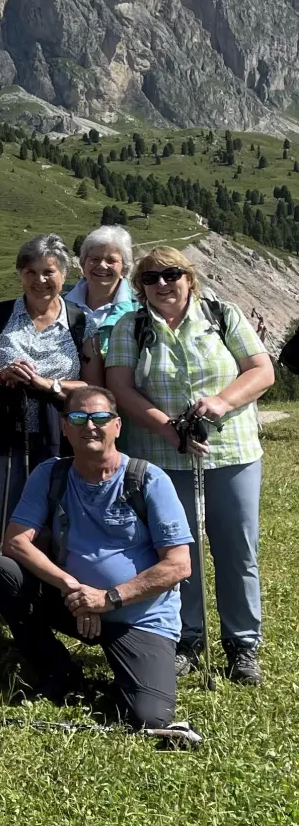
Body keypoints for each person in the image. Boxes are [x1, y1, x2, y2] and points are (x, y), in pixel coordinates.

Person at [107, 247, 273, 685]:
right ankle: (186, 639)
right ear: (140, 287)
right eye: (150, 278)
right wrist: (166, 428)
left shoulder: (223, 315)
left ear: (189, 278)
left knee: (237, 549)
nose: (162, 284)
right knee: (179, 550)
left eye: (172, 274)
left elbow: (261, 371)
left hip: (231, 452)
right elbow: (119, 387)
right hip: (161, 457)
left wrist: (222, 402)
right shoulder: (131, 326)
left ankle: (243, 645)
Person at [0, 387, 193, 729]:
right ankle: (59, 672)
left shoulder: (149, 480)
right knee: (2, 571)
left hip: (138, 617)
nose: (90, 426)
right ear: (64, 427)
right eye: (79, 418)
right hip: (74, 603)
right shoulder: (50, 474)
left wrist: (107, 599)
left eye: (100, 418)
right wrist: (72, 587)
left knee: (148, 718)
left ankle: (126, 683)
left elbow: (178, 565)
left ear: (117, 426)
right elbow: (16, 542)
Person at [0, 234, 90, 569]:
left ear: (64, 274)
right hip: (0, 435)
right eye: (30, 271)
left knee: (53, 519)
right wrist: (1, 374)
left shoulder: (80, 321)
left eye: (48, 271)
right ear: (20, 273)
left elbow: (92, 388)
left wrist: (46, 384)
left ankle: (46, 590)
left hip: (60, 438)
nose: (39, 280)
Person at [66, 224, 138, 365]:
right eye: (95, 259)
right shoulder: (58, 306)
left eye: (111, 261)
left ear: (124, 268)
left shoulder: (138, 312)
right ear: (83, 264)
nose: (102, 265)